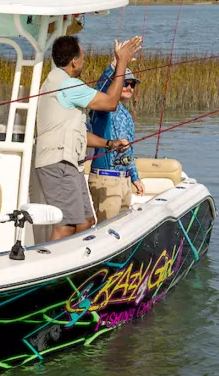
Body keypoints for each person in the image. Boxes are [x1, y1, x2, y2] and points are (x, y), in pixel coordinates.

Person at [33, 35, 142, 241]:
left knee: (86, 222)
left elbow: (78, 134)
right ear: (74, 61)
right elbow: (110, 101)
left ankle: (75, 264)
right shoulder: (69, 85)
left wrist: (109, 144)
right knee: (66, 225)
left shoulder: (57, 82)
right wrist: (122, 62)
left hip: (69, 163)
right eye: (82, 57)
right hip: (58, 163)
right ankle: (54, 266)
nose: (84, 61)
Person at [88, 59, 145, 221]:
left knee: (122, 229)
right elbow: (100, 88)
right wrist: (114, 66)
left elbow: (129, 151)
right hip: (106, 178)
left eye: (132, 85)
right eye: (125, 83)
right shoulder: (103, 108)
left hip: (124, 180)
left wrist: (135, 177)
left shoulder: (127, 116)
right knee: (107, 230)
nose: (129, 87)